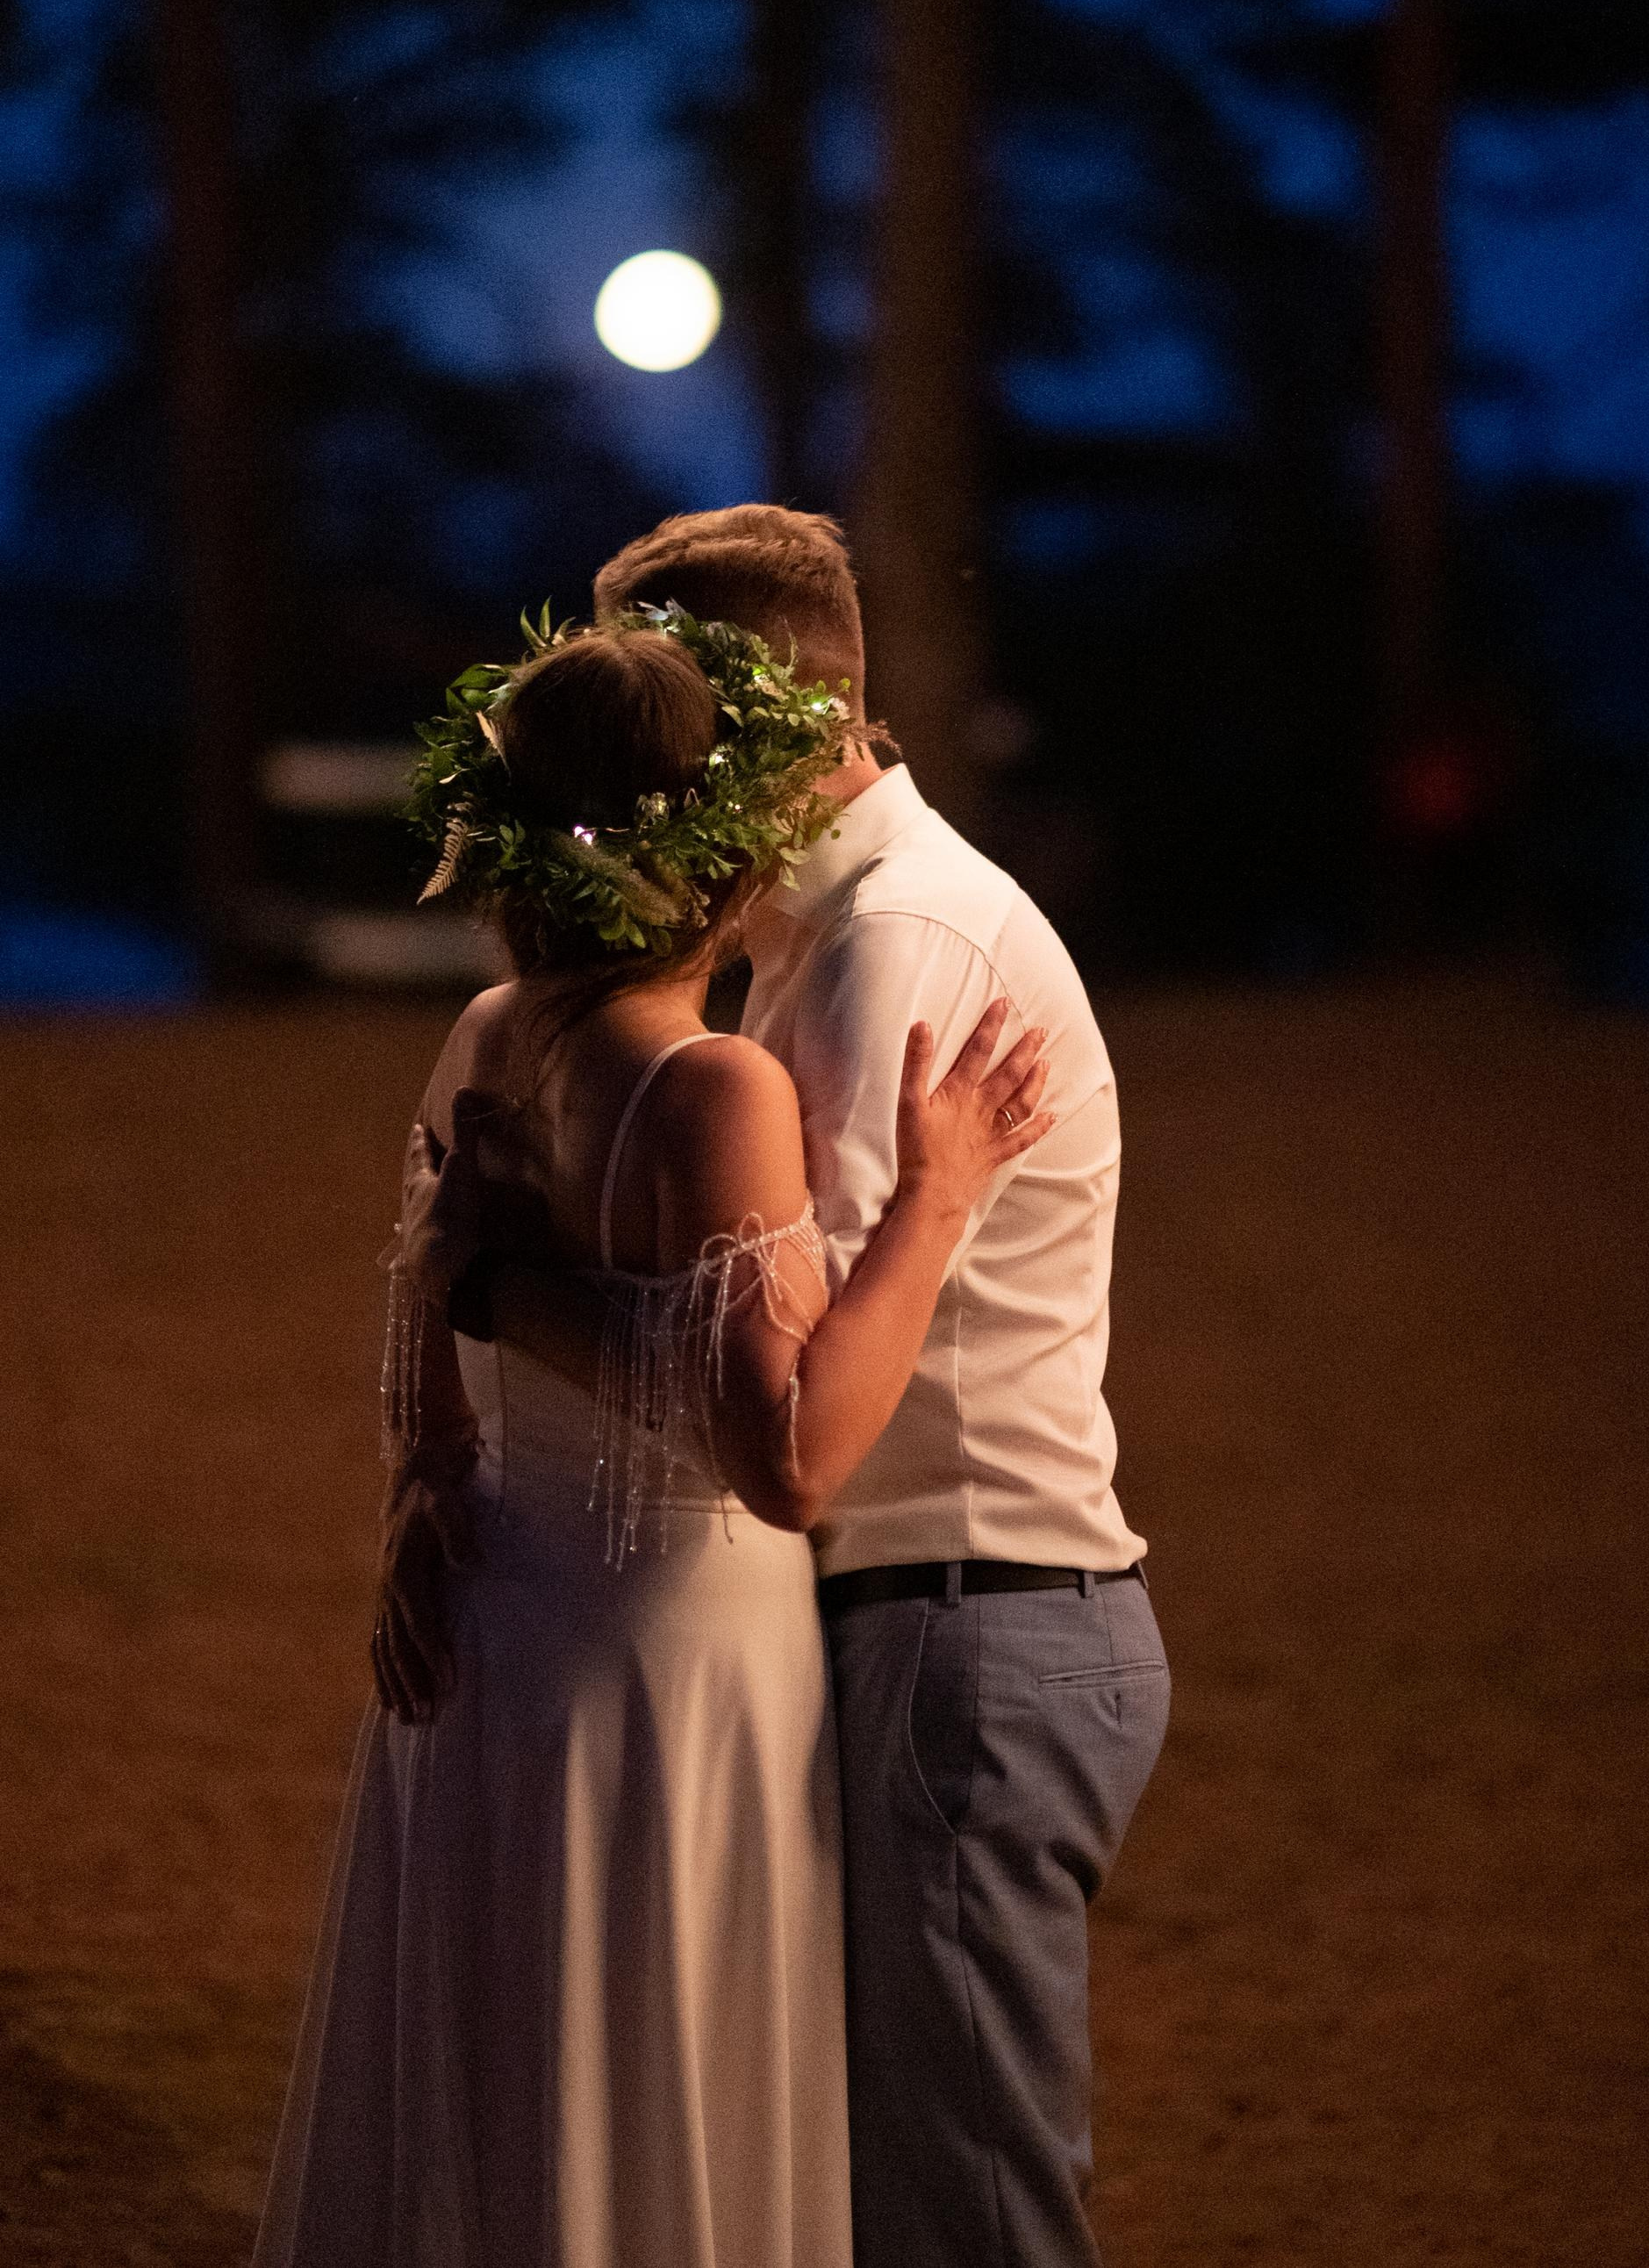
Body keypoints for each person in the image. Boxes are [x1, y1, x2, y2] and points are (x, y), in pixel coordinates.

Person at [253, 602, 1054, 2268]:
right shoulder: (710, 1090)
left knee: (503, 2073)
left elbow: (429, 1294)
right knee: (649, 2059)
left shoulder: (487, 1037)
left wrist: (426, 1476)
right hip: (667, 1657)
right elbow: (790, 1456)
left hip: (498, 1625)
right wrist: (937, 1202)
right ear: (709, 832)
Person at [457, 506, 1170, 2268]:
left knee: (966, 2204)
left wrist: (504, 1290)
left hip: (962, 1626)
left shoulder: (886, 949)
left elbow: (788, 1413)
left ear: (764, 711)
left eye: (666, 713)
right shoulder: (813, 934)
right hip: (938, 1625)